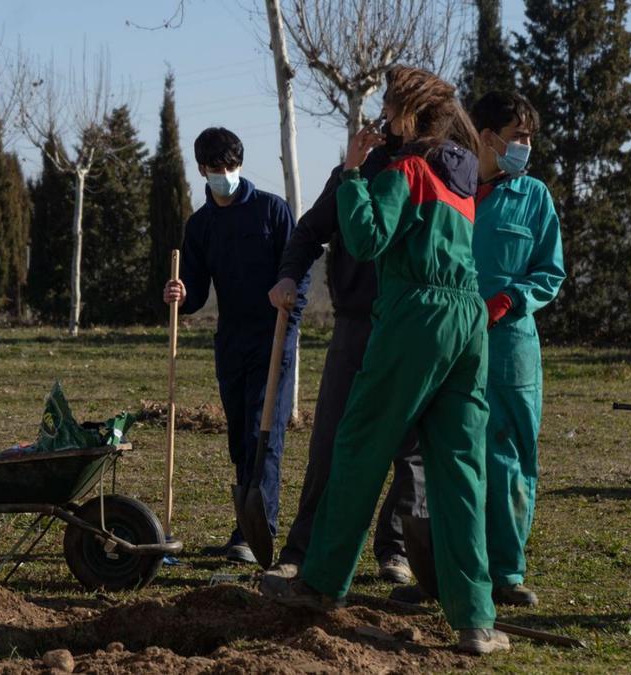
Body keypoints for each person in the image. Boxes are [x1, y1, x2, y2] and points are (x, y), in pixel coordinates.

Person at [282, 66, 509, 655]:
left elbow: (364, 239)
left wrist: (354, 174)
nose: (382, 117)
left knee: (359, 445)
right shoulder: (461, 173)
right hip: (469, 323)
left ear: (408, 112)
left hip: (417, 318)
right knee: (460, 470)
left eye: (387, 107)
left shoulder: (407, 168)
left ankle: (319, 583)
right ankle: (476, 622)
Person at [261, 136, 425, 593]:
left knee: (409, 445)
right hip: (356, 326)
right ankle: (301, 550)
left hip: (411, 326)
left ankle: (395, 547)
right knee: (330, 441)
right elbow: (309, 231)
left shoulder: (433, 173)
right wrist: (289, 273)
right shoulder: (355, 176)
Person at [163, 127, 306, 565]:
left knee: (266, 434)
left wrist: (290, 314)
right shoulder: (201, 225)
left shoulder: (272, 211)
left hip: (273, 337)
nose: (224, 175)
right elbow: (198, 290)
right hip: (231, 341)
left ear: (239, 166)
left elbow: (298, 272)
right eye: (216, 168)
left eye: (231, 167)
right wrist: (180, 296)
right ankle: (243, 527)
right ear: (202, 170)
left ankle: (259, 532)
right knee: (240, 435)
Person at [469, 90, 565, 607]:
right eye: (519, 136)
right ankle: (453, 565)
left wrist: (509, 299)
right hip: (455, 342)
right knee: (456, 454)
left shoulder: (534, 198)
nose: (526, 146)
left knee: (509, 458)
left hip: (511, 350)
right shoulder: (455, 188)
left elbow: (551, 272)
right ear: (487, 137)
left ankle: (506, 571)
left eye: (529, 137)